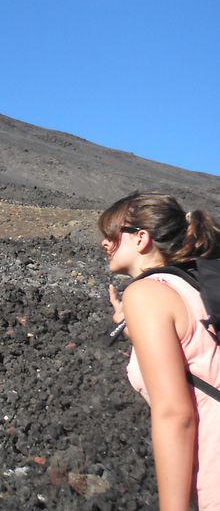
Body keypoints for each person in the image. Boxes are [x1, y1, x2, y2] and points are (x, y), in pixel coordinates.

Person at [101, 192, 220, 511]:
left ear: (141, 238)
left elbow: (175, 415)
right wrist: (135, 330)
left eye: (111, 235)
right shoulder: (193, 287)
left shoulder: (146, 294)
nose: (104, 243)